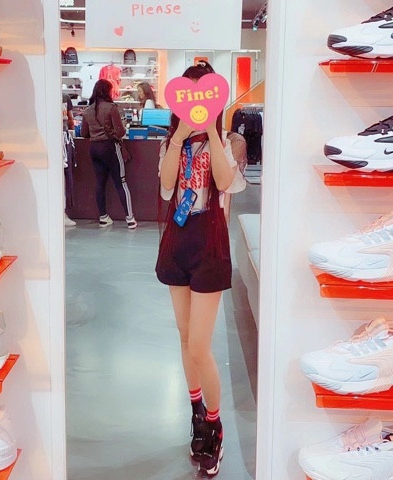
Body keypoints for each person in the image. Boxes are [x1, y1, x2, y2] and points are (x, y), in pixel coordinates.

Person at [155, 61, 245, 476]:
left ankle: (215, 425)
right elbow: (166, 187)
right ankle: (196, 413)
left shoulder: (225, 141)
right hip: (178, 241)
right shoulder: (171, 142)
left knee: (199, 346)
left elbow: (224, 183)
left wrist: (210, 131)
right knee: (184, 334)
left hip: (209, 246)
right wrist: (178, 137)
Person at [81, 79, 137, 229]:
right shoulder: (111, 108)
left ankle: (103, 217)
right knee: (121, 182)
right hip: (110, 148)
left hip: (94, 148)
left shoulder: (87, 110)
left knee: (100, 183)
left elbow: (84, 133)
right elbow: (120, 132)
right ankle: (130, 219)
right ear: (107, 91)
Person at [63, 92, 76, 228]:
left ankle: (61, 212)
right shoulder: (65, 97)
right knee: (65, 176)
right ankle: (62, 212)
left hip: (58, 138)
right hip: (63, 139)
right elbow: (71, 119)